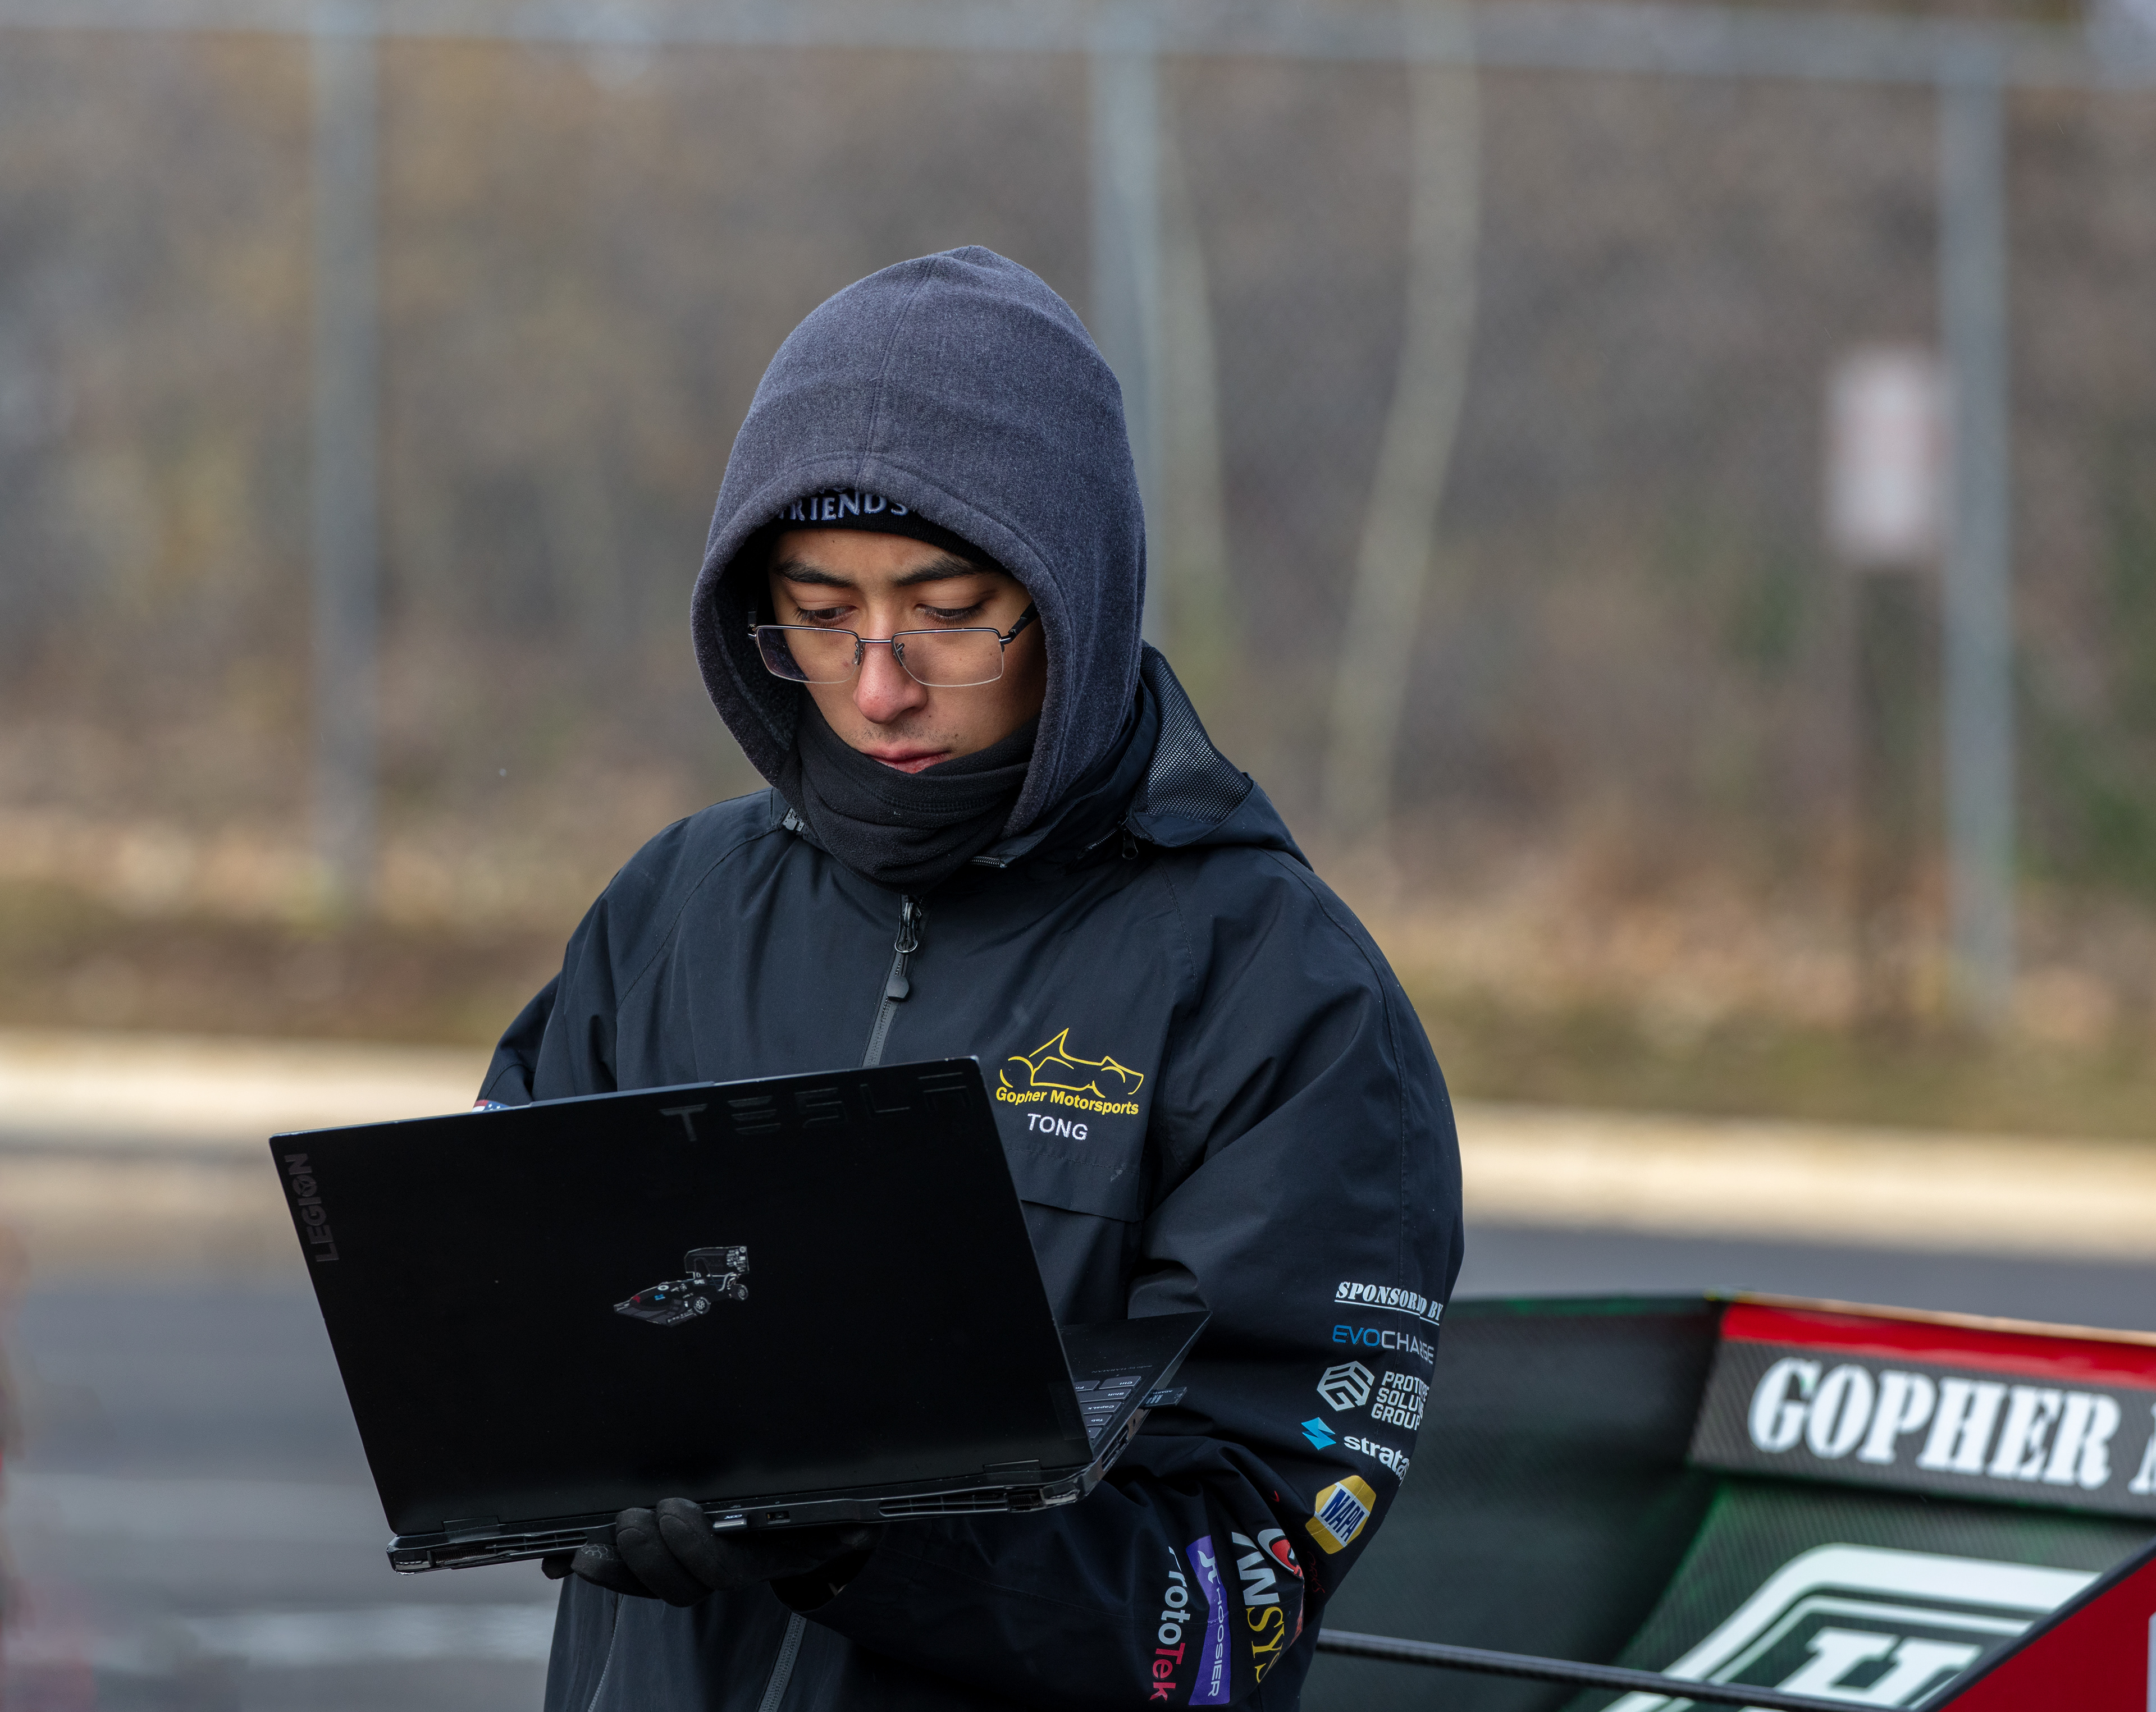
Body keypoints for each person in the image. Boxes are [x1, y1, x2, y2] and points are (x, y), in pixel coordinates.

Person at [483, 247, 1462, 1711]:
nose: (879, 683)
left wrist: (873, 1542)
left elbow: (1231, 1598)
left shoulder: (1282, 998)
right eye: (820, 612)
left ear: (1075, 598)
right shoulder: (672, 911)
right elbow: (497, 1318)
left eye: (948, 610)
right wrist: (555, 1462)